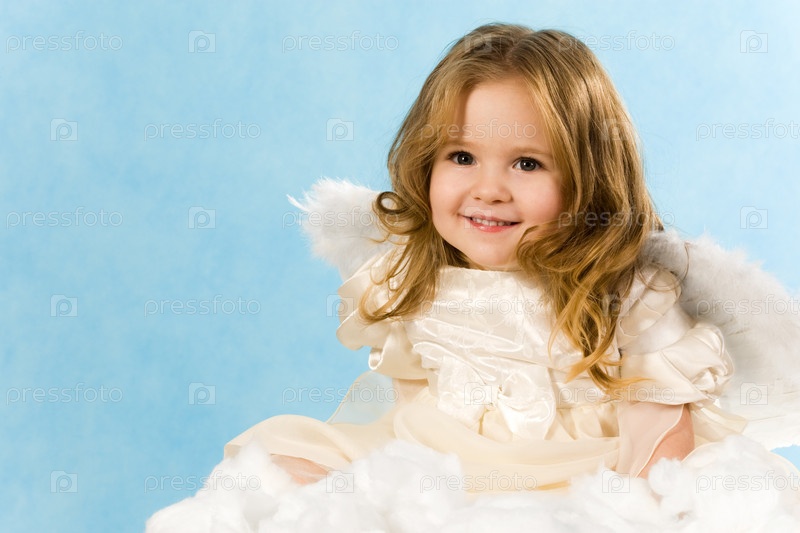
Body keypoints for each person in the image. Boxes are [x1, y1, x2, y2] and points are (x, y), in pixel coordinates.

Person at [224, 23, 799, 492]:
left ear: (588, 179)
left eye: (527, 164)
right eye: (461, 157)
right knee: (274, 467)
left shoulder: (629, 295)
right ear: (426, 162)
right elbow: (411, 406)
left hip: (581, 475)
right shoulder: (415, 275)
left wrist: (630, 509)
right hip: (442, 467)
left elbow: (660, 440)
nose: (489, 190)